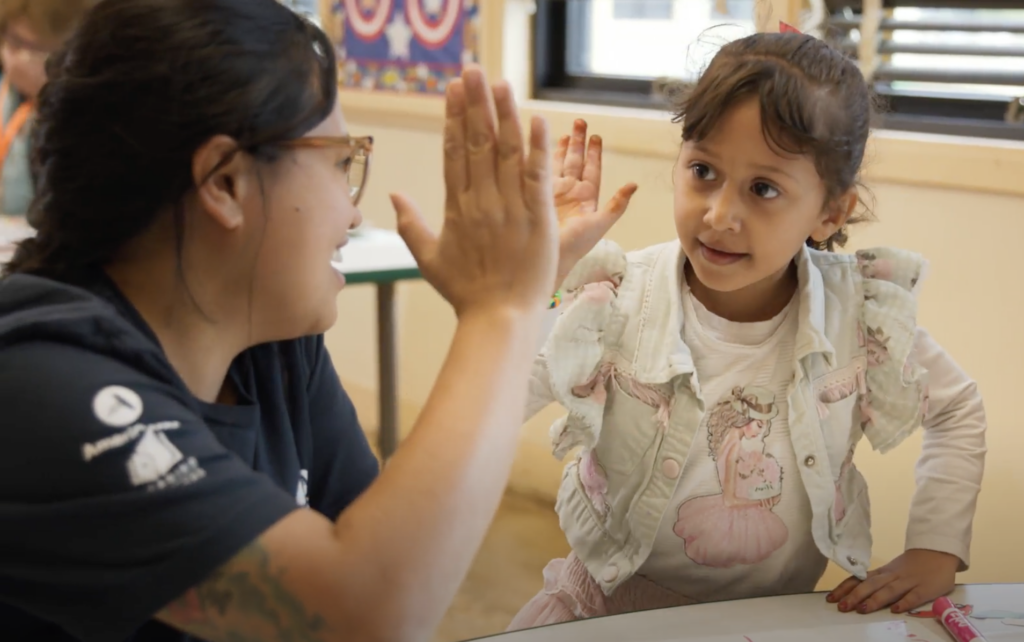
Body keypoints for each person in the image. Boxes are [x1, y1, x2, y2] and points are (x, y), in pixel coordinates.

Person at [0, 0, 637, 640]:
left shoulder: (273, 349)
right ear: (223, 183)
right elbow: (361, 614)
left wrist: (522, 298)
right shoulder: (39, 380)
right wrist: (500, 308)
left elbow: (405, 561)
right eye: (339, 162)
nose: (351, 214)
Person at [508, 30, 987, 630]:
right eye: (703, 171)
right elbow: (495, 400)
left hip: (772, 621)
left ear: (829, 212)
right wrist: (539, 278)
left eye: (763, 188)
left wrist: (936, 546)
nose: (719, 215)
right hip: (604, 611)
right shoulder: (617, 296)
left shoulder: (858, 315)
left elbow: (956, 408)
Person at [0, 0, 99, 219]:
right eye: (10, 41)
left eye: (26, 46)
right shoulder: (7, 93)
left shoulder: (89, 119)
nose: (12, 57)